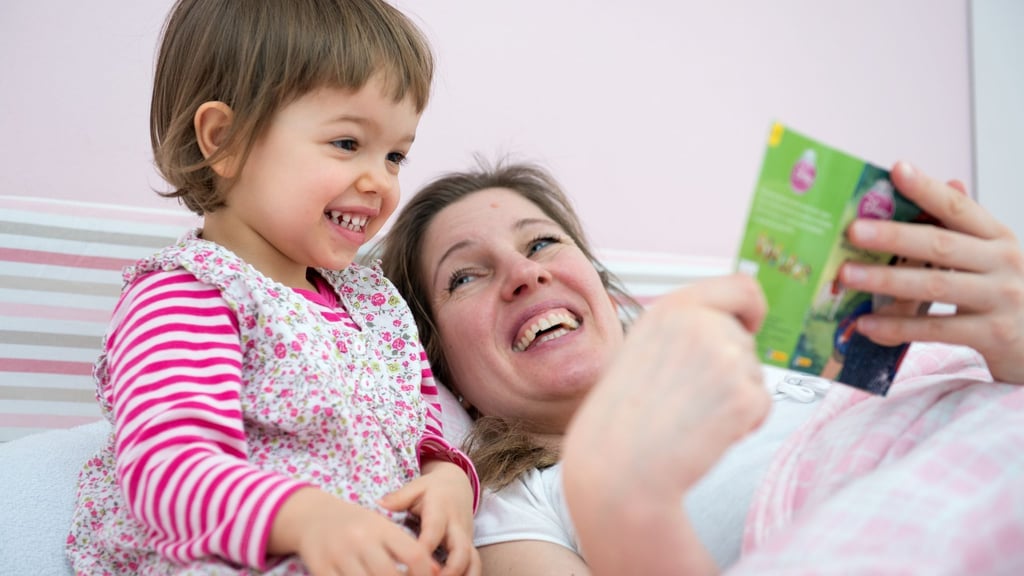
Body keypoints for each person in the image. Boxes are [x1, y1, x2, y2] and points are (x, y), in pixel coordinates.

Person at [374, 159, 1024, 575]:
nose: (525, 273)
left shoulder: (796, 348)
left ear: (599, 287)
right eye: (466, 275)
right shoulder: (515, 506)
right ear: (437, 367)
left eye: (542, 242)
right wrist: (620, 495)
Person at [66, 1, 480, 575]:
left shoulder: (374, 307)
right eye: (346, 143)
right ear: (225, 140)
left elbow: (418, 426)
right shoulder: (190, 296)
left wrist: (449, 480)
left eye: (395, 155)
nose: (379, 181)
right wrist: (307, 518)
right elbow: (169, 470)